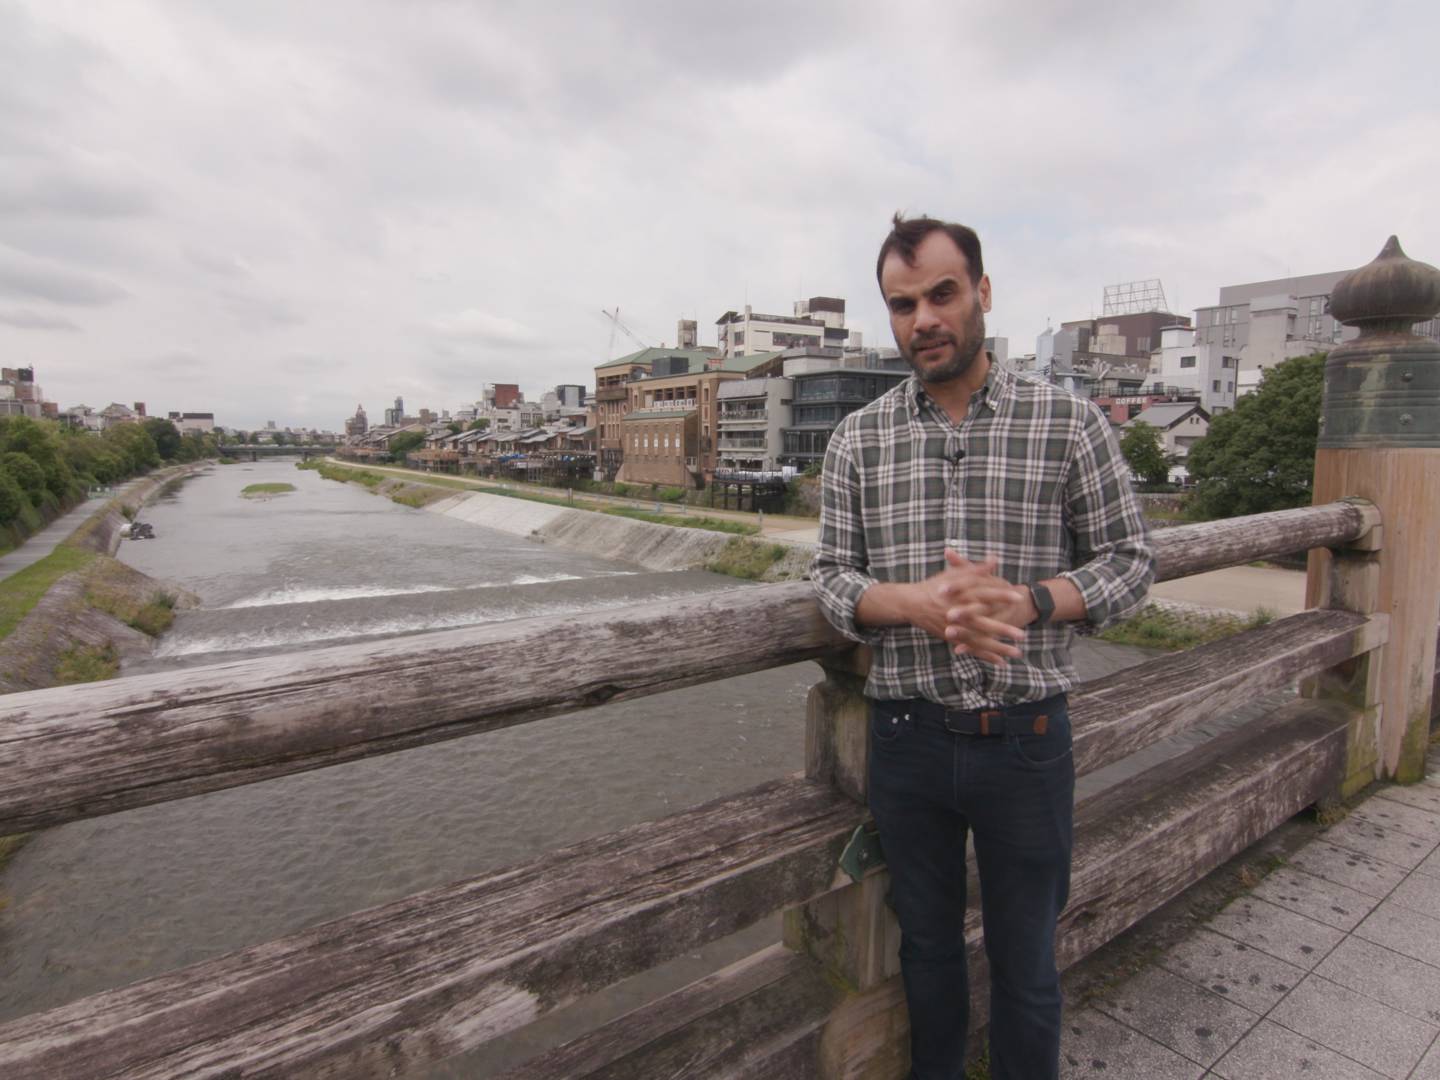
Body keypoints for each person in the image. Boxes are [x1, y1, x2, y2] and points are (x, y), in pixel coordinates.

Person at [811, 214, 1155, 1080]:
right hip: (907, 738)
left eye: (941, 293)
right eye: (901, 304)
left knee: (1027, 961)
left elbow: (1129, 562)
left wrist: (1032, 601)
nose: (923, 318)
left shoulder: (1067, 423)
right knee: (924, 952)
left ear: (982, 293)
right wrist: (914, 606)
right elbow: (832, 579)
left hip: (1027, 738)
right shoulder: (860, 437)